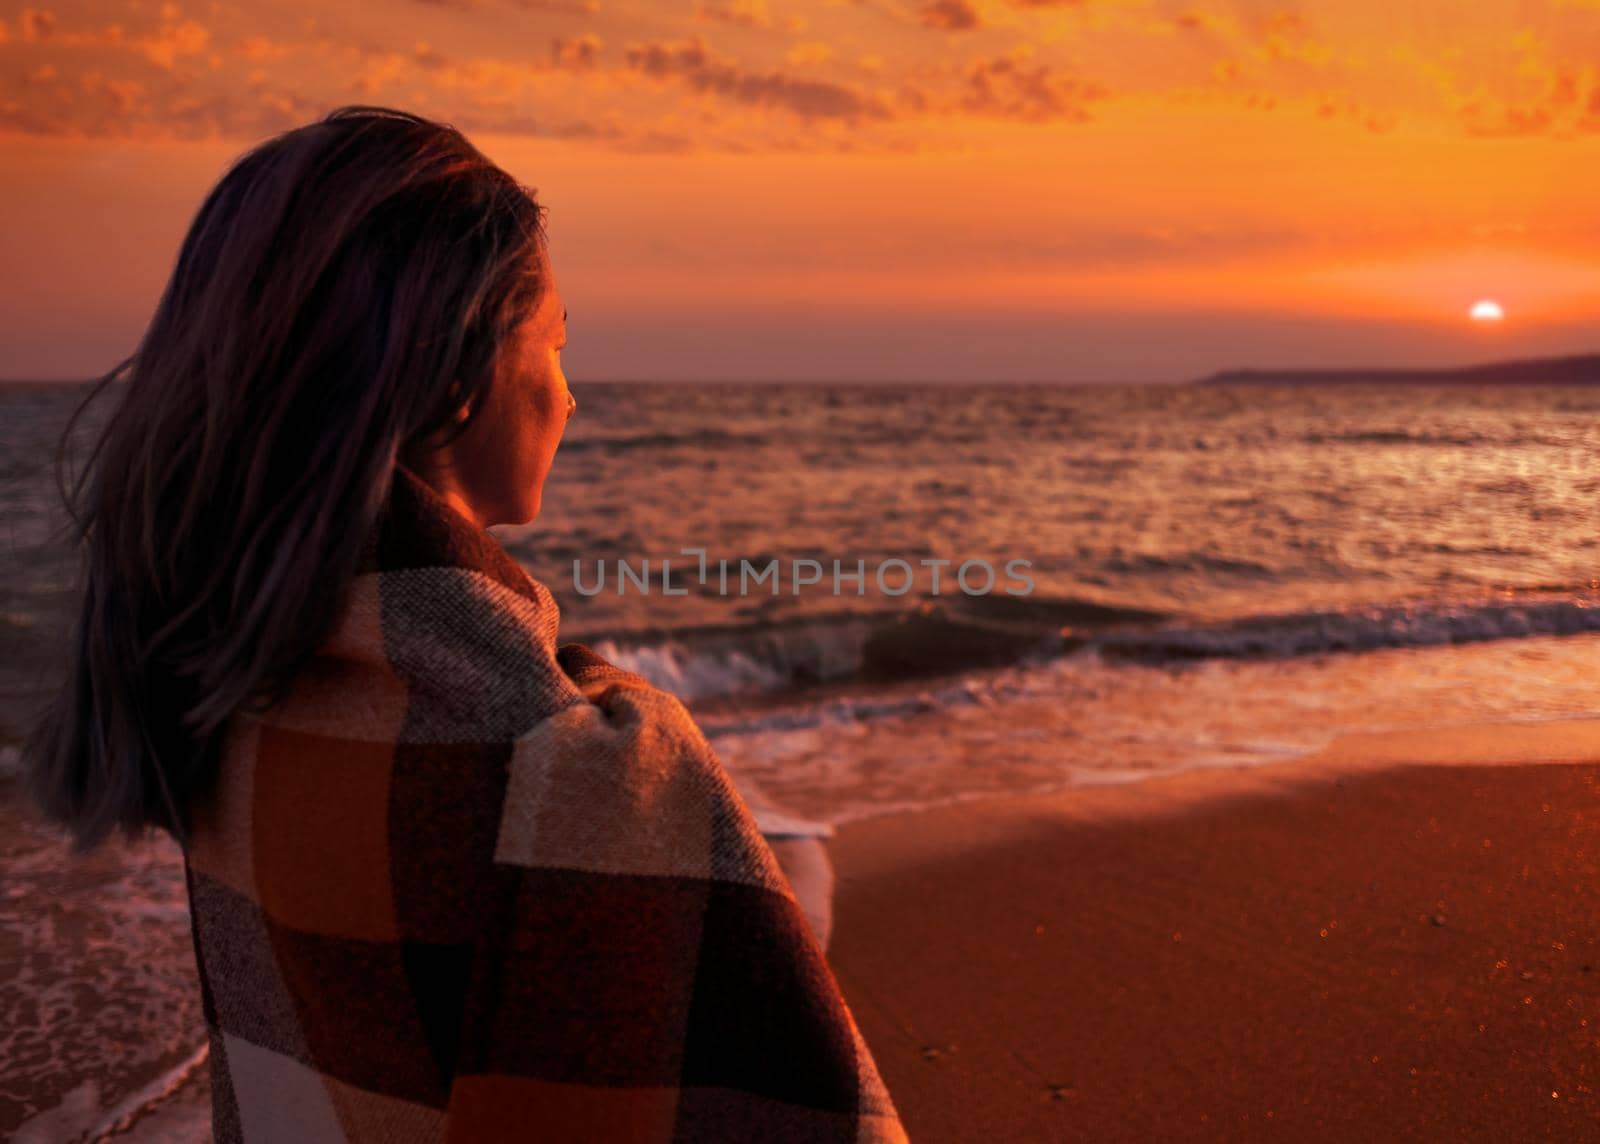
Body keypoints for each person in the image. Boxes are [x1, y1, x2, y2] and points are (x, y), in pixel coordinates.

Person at [24, 105, 905, 1142]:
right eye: (559, 343)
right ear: (458, 376)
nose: (570, 397)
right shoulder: (570, 765)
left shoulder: (218, 685)